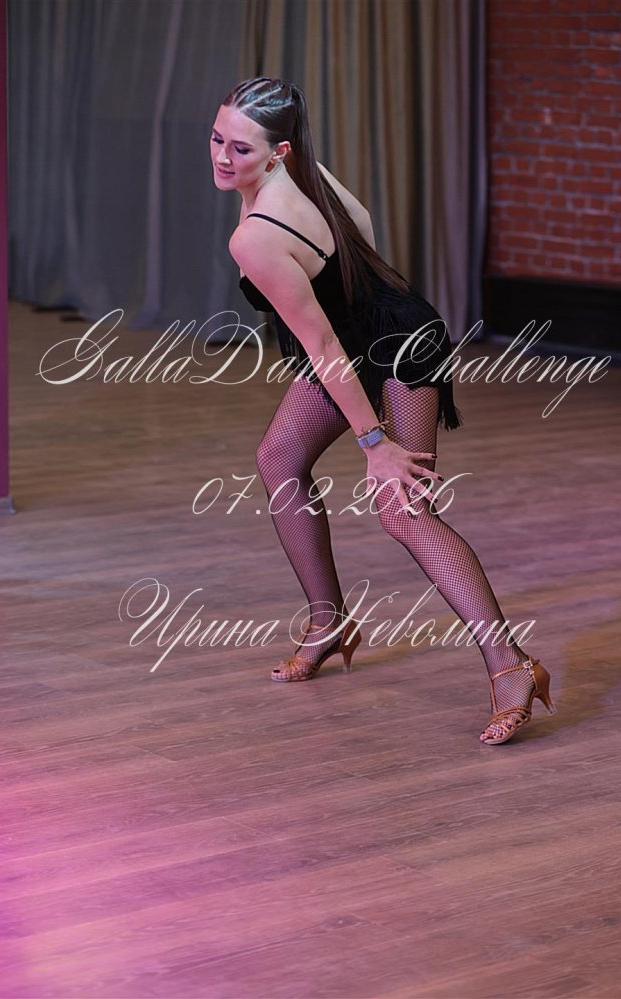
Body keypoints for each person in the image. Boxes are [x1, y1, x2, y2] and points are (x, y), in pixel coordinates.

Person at [211, 76, 556, 746]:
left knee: (402, 507)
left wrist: (375, 444)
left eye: (241, 148)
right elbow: (361, 226)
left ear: (278, 152)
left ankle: (512, 666)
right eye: (217, 138)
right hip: (358, 339)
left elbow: (321, 345)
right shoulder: (304, 173)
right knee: (279, 459)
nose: (223, 156)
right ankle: (329, 622)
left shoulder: (254, 235)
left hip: (395, 346)